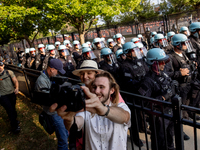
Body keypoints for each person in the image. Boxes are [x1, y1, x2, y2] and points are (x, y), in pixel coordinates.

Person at [50, 71, 131, 150]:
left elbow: (124, 116)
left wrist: (102, 109)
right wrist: (69, 119)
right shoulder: (87, 110)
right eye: (94, 87)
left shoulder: (121, 106)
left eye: (101, 87)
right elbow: (75, 124)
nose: (96, 91)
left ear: (112, 90)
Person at [138, 48, 176, 150]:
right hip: (158, 116)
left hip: (169, 112)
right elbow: (144, 103)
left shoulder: (163, 74)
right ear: (153, 63)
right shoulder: (147, 81)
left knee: (169, 138)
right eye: (161, 62)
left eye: (164, 62)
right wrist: (163, 97)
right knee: (160, 141)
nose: (163, 64)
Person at [35, 59, 69, 150]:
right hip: (53, 114)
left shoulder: (52, 77)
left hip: (59, 112)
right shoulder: (42, 81)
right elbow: (48, 100)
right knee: (63, 140)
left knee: (66, 133)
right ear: (51, 69)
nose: (58, 74)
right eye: (57, 71)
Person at [0, 61, 20, 133]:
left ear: (3, 65)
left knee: (13, 108)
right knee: (10, 110)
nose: (0, 67)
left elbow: (15, 80)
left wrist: (17, 88)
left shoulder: (9, 72)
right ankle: (14, 128)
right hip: (2, 96)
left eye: (1, 65)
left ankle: (14, 120)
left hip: (12, 94)